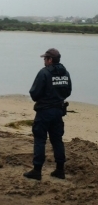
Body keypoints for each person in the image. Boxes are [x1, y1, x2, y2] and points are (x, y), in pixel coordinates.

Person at [23, 48, 72, 180]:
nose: (44, 61)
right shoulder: (65, 73)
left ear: (50, 60)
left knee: (40, 139)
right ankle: (60, 170)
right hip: (58, 111)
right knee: (57, 140)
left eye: (45, 58)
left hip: (44, 111)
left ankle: (37, 170)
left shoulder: (44, 73)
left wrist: (45, 99)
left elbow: (34, 93)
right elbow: (68, 91)